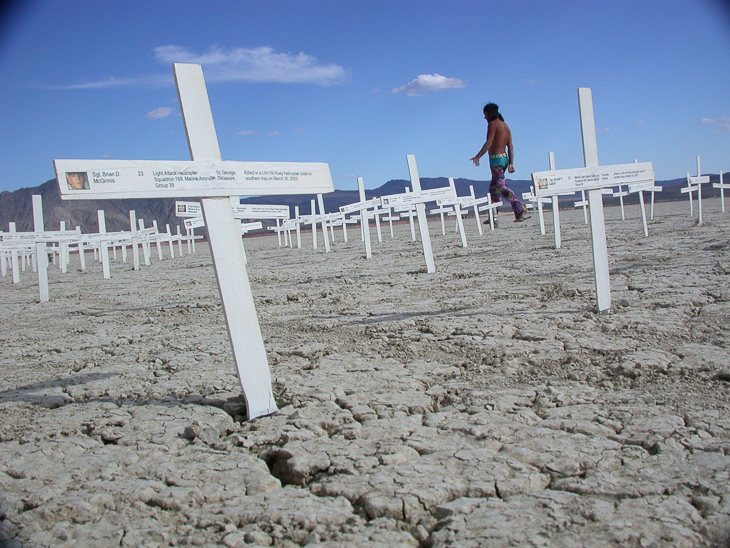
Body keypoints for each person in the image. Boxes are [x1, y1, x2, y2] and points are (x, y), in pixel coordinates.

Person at [470, 103, 530, 222]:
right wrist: (511, 163)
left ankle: (519, 207)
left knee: (500, 187)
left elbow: (489, 142)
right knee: (493, 189)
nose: (484, 118)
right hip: (504, 158)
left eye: (485, 115)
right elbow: (510, 146)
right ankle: (494, 215)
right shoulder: (505, 126)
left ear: (488, 113)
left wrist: (478, 156)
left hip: (496, 160)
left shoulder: (493, 124)